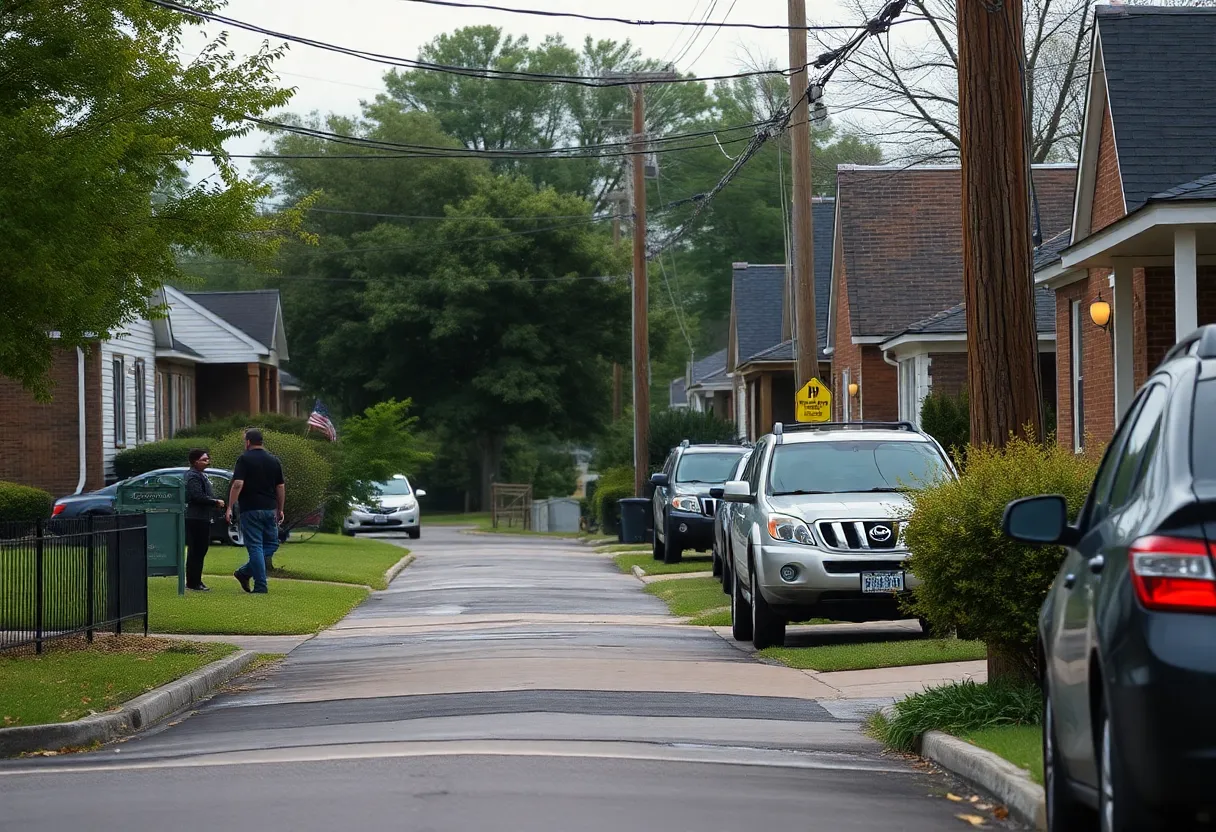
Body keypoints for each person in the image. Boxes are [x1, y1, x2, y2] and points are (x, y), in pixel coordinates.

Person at [225, 429, 285, 594]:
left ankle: (256, 582)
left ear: (248, 442)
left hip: (250, 509)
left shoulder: (244, 459)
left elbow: (238, 484)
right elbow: (280, 487)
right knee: (271, 544)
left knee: (256, 547)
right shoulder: (274, 460)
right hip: (269, 509)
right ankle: (245, 574)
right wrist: (280, 508)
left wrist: (230, 506)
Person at [184, 449, 224, 592]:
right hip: (196, 518)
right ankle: (194, 582)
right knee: (197, 550)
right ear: (196, 462)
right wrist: (214, 502)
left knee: (200, 550)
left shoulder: (200, 475)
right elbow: (197, 496)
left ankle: (194, 580)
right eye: (205, 460)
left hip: (202, 517)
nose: (208, 462)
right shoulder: (193, 476)